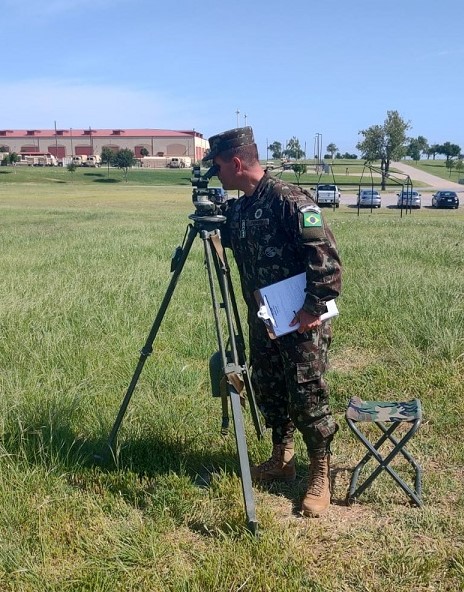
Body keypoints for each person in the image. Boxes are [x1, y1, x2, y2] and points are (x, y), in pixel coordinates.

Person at [202, 127, 342, 517]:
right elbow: (226, 236)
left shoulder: (289, 201)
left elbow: (326, 261)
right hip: (266, 319)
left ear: (236, 163)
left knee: (306, 392)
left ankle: (320, 470)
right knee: (269, 387)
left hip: (301, 320)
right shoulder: (242, 208)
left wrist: (312, 309)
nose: (215, 175)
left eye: (217, 167)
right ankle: (283, 457)